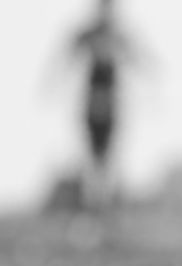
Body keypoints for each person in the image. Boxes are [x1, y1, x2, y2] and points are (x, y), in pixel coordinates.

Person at [65, 0, 136, 210]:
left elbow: (137, 57)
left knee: (109, 155)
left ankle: (105, 204)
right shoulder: (89, 33)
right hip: (94, 101)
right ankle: (92, 204)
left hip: (111, 101)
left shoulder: (118, 34)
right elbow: (66, 57)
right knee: (93, 155)